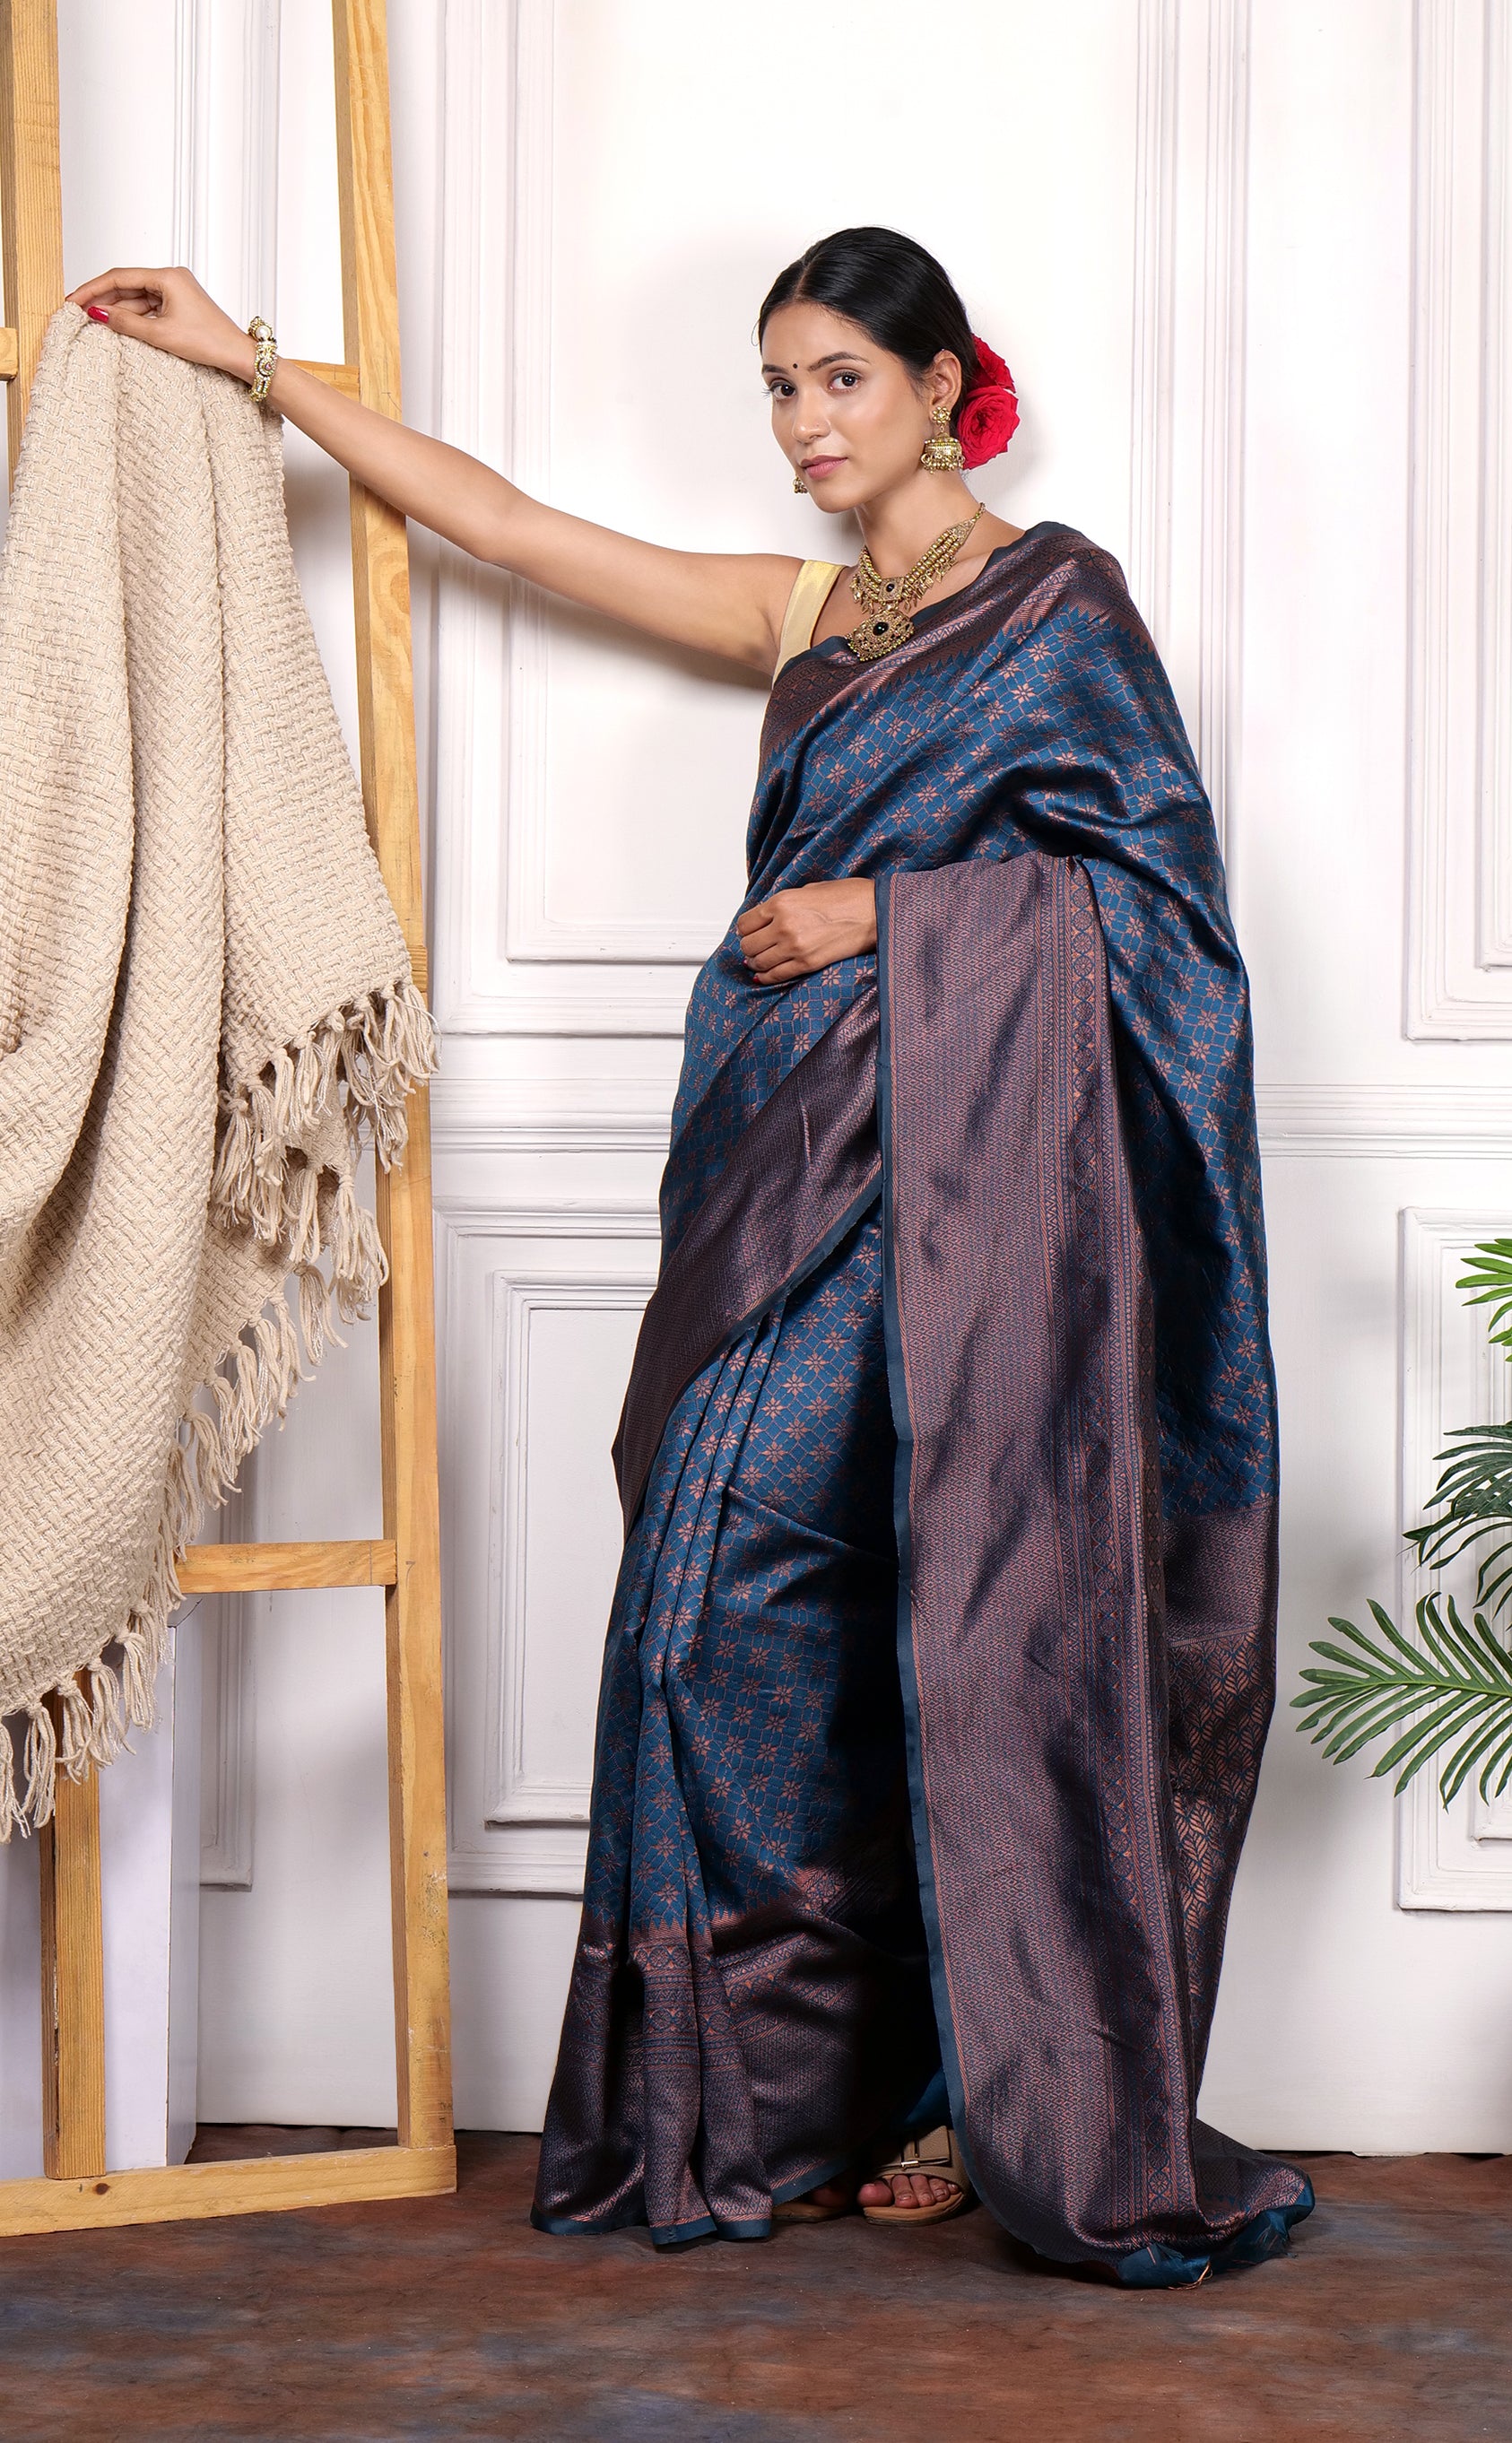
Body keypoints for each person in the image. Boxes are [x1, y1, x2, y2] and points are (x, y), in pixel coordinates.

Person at [71, 226, 1311, 2284]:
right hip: (780, 1172)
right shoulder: (805, 615)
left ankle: (968, 2094)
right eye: (775, 387)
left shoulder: (1062, 606)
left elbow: (1167, 931)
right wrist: (254, 368)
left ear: (940, 383)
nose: (799, 425)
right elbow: (512, 525)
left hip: (984, 1208)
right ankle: (771, 2095)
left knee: (977, 1619)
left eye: (836, 379)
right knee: (717, 1604)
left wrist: (892, 925)